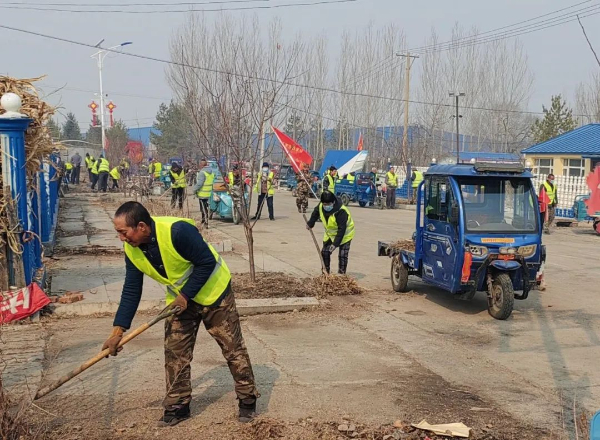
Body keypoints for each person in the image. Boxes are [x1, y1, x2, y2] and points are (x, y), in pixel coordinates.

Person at [104, 202, 259, 426]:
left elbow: (206, 262)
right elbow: (131, 288)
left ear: (141, 226)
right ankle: (178, 406)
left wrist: (185, 295)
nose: (121, 238)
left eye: (123, 232)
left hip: (214, 294)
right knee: (175, 352)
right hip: (180, 301)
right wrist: (118, 330)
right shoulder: (132, 248)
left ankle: (247, 400)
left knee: (232, 348)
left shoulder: (177, 232)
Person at [306, 191, 355, 275]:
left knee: (342, 255)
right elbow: (315, 213)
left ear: (333, 202)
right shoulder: (321, 206)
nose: (326, 206)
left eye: (328, 204)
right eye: (324, 204)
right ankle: (325, 273)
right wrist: (310, 223)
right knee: (325, 252)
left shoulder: (341, 211)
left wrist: (335, 244)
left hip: (345, 235)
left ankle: (341, 275)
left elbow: (341, 229)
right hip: (330, 235)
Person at [193, 159, 214, 227]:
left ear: (201, 165)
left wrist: (194, 190)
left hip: (203, 193)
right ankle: (203, 220)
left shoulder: (202, 173)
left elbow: (199, 184)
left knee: (204, 209)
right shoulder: (211, 172)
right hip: (209, 193)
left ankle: (206, 223)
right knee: (205, 208)